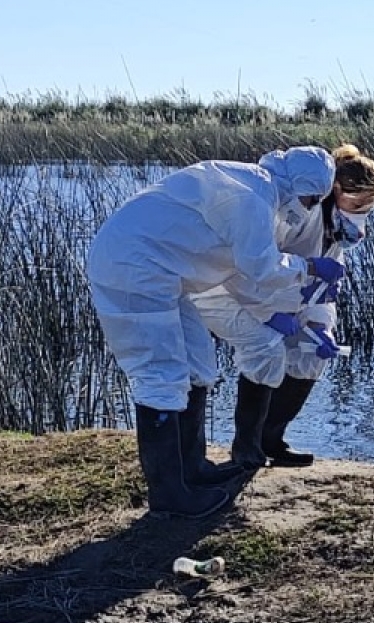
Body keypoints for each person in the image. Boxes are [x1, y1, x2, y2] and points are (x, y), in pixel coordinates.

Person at [85, 147, 346, 518]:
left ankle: (193, 469)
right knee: (160, 376)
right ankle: (169, 495)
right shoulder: (251, 197)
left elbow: (234, 267)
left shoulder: (258, 191)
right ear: (301, 186)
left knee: (198, 366)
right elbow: (260, 267)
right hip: (134, 269)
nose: (307, 207)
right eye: (310, 198)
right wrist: (309, 268)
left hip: (165, 275)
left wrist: (278, 309)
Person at [192, 144, 374, 469]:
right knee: (264, 349)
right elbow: (251, 266)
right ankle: (246, 447)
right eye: (358, 204)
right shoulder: (295, 212)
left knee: (311, 356)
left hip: (278, 300)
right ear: (336, 189)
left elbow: (319, 291)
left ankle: (272, 437)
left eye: (369, 207)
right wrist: (268, 314)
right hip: (228, 290)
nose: (361, 214)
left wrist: (319, 324)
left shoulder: (333, 228)